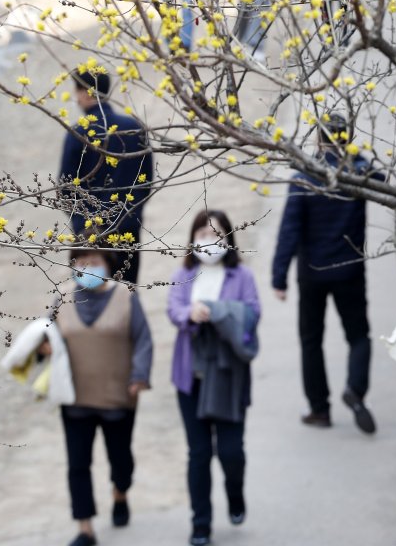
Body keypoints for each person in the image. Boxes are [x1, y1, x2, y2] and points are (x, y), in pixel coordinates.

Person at [271, 115, 384, 434]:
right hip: (349, 269)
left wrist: (279, 277)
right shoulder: (358, 173)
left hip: (312, 273)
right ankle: (355, 391)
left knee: (311, 340)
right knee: (358, 335)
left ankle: (319, 409)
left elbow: (289, 229)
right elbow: (384, 179)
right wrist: (356, 157)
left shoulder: (304, 176)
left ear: (319, 141)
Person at [167, 210, 261, 546]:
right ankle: (201, 523)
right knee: (199, 453)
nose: (208, 242)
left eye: (215, 235)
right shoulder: (183, 274)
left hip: (230, 375)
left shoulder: (241, 276)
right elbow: (173, 308)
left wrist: (220, 313)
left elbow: (253, 312)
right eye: (202, 235)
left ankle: (235, 495)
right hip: (190, 377)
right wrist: (190, 314)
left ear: (228, 239)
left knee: (232, 452)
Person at [52, 245, 152, 546]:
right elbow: (46, 335)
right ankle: (85, 528)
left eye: (92, 261)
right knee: (78, 464)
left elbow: (143, 339)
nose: (86, 267)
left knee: (120, 459)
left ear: (107, 263)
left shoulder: (127, 296)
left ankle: (120, 492)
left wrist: (139, 376)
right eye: (80, 262)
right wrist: (42, 349)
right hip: (75, 397)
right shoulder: (63, 298)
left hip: (118, 396)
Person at [59, 69, 154, 284]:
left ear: (85, 92)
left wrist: (83, 224)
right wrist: (129, 216)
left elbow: (65, 188)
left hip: (88, 238)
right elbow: (145, 183)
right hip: (126, 232)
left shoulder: (78, 134)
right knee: (125, 297)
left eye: (77, 90)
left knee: (87, 304)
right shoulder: (134, 128)